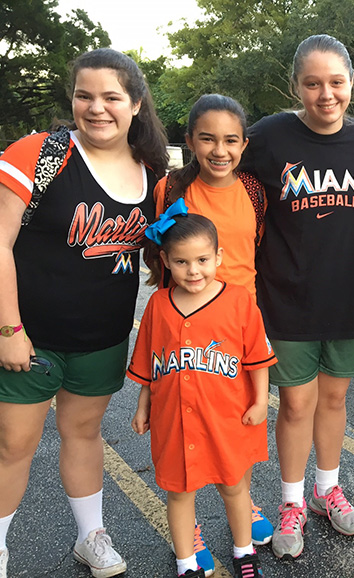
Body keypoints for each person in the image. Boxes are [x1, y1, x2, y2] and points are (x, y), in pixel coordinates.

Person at [0, 48, 167, 578]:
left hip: (102, 338)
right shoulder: (41, 153)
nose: (97, 108)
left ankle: (89, 534)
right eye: (84, 96)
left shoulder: (153, 170)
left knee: (84, 432)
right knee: (14, 443)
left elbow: (177, 250)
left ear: (135, 104)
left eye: (111, 97)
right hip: (31, 336)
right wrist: (8, 329)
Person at [238, 34, 354, 559]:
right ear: (296, 85)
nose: (326, 95)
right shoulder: (269, 136)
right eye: (313, 84)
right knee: (297, 404)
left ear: (351, 83)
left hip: (349, 299)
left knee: (337, 399)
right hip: (286, 298)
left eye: (337, 83)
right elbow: (218, 167)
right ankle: (293, 501)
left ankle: (327, 490)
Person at [147, 93, 272, 573]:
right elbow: (165, 260)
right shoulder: (171, 191)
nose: (219, 150)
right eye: (207, 139)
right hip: (186, 332)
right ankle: (191, 522)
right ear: (190, 142)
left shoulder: (254, 192)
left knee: (231, 429)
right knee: (185, 426)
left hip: (237, 328)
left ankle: (242, 501)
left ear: (243, 144)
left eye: (230, 140)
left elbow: (254, 253)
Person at [129, 208, 276, 578]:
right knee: (179, 493)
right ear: (165, 261)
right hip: (175, 418)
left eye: (202, 260)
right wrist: (142, 406)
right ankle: (186, 564)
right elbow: (151, 362)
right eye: (181, 262)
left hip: (227, 417)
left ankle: (244, 554)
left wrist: (261, 401)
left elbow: (257, 358)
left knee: (234, 488)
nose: (194, 271)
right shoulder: (158, 305)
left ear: (219, 257)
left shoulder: (239, 299)